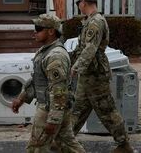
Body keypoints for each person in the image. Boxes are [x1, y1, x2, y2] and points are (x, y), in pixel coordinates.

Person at [69, 0, 134, 153]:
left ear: (84, 2)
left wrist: (76, 67)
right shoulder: (89, 20)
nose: (78, 6)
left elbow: (90, 49)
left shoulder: (95, 22)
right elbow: (82, 48)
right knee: (78, 109)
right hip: (88, 75)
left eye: (79, 3)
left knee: (107, 110)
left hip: (96, 75)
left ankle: (124, 144)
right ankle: (65, 140)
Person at [11, 13, 86, 153]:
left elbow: (59, 90)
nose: (35, 32)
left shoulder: (55, 56)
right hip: (55, 108)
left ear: (51, 31)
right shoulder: (45, 51)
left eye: (38, 28)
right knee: (67, 145)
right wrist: (22, 98)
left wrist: (53, 119)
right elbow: (38, 80)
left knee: (36, 148)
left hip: (50, 109)